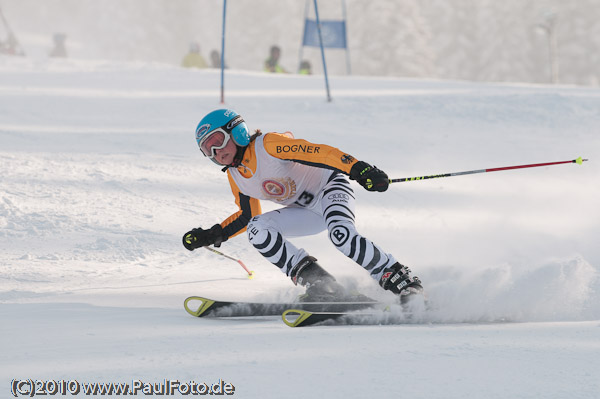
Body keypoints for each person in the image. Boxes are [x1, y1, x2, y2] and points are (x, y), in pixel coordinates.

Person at [183, 109, 423, 303]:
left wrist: (359, 168)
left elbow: (320, 153)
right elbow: (247, 216)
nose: (216, 152)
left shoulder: (268, 145)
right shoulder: (236, 176)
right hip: (305, 211)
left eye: (217, 141)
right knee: (258, 229)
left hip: (329, 189)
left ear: (237, 132)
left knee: (341, 235)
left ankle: (401, 280)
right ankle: (321, 284)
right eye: (207, 149)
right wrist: (212, 235)